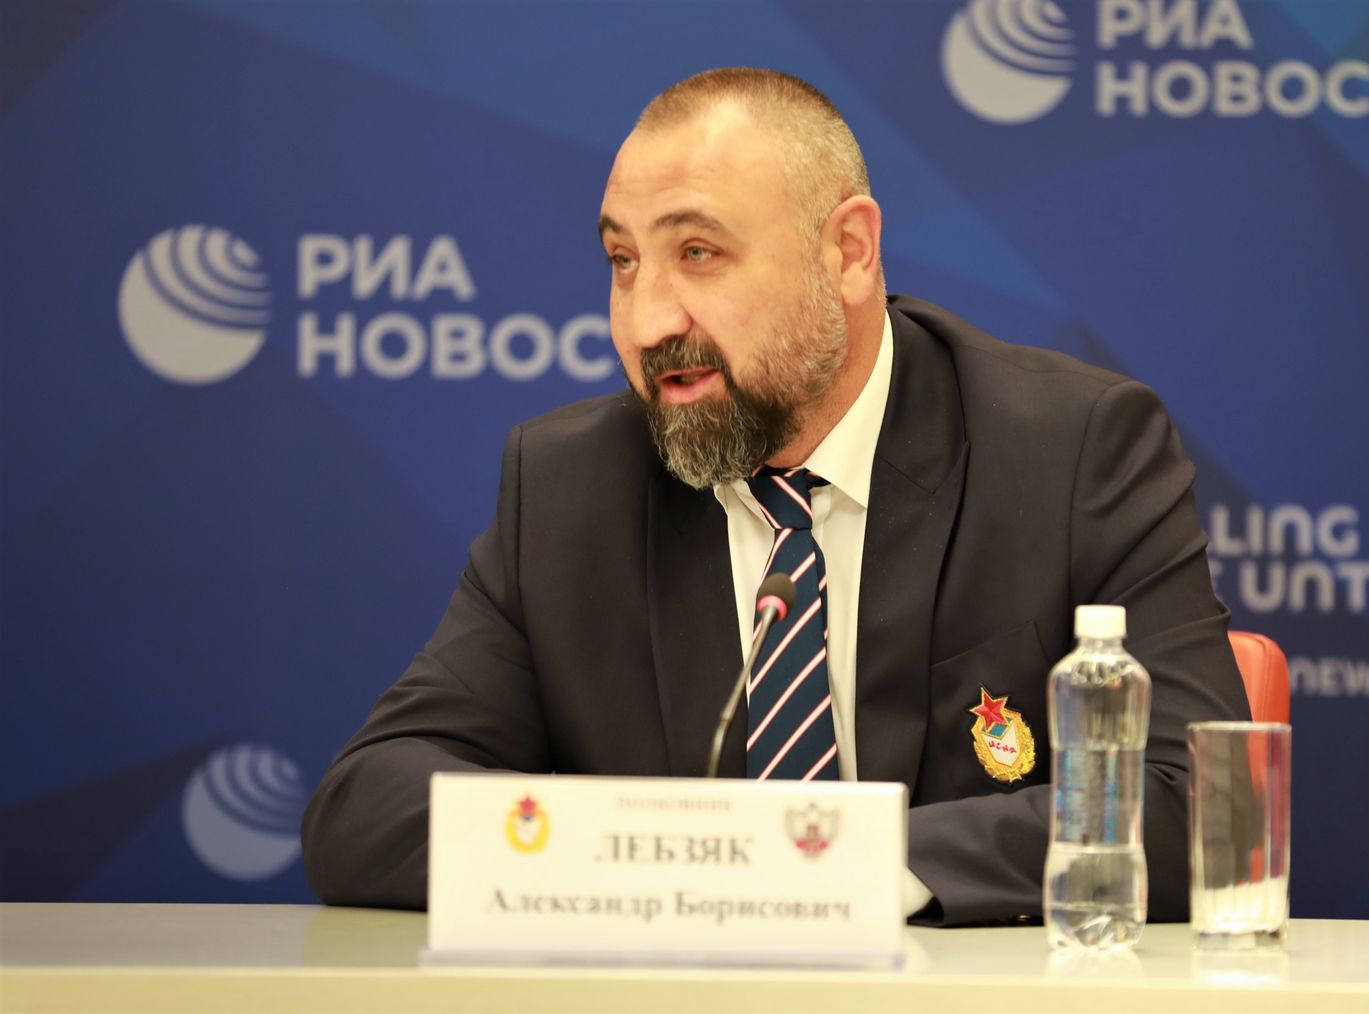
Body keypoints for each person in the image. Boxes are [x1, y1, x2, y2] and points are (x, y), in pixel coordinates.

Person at [300, 67, 1249, 926]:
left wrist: (834, 870)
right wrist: (661, 864)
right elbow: (364, 809)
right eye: (624, 262)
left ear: (849, 252)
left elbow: (1202, 802)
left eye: (698, 253)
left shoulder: (1069, 451)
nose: (647, 321)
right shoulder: (569, 488)